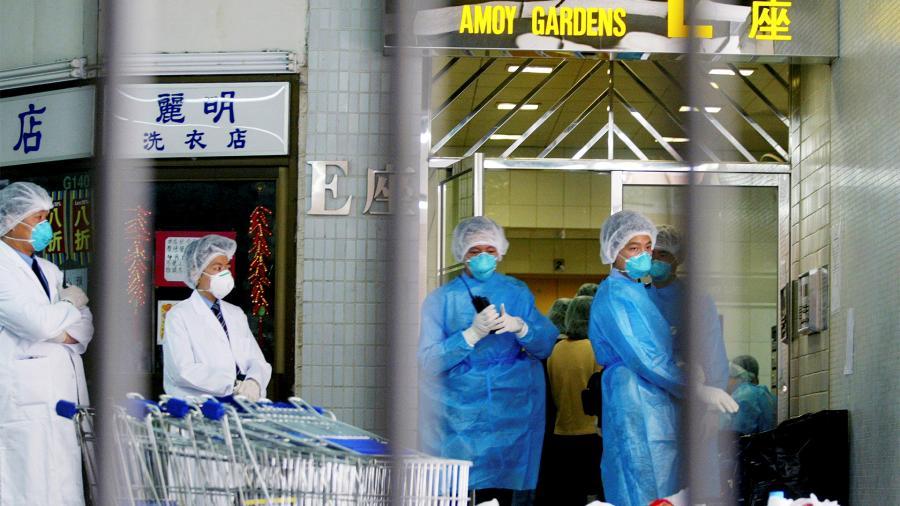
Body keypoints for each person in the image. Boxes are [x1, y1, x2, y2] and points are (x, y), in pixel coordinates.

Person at [588, 210, 737, 506]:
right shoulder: (615, 295)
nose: (645, 256)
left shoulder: (635, 291)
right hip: (634, 396)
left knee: (661, 489)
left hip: (652, 398)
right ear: (613, 250)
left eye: (649, 247)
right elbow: (645, 358)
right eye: (634, 248)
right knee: (641, 485)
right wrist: (697, 388)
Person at [418, 216, 557, 506]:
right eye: (475, 251)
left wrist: (522, 328)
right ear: (462, 254)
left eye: (490, 250)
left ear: (500, 252)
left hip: (513, 412)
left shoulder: (516, 292)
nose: (483, 257)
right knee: (460, 490)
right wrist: (469, 336)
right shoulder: (441, 300)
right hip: (460, 419)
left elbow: (545, 345)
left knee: (506, 490)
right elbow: (427, 361)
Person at [0, 182, 94, 505]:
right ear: (11, 220)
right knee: (28, 484)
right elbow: (36, 323)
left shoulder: (50, 270)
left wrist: (57, 325)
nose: (45, 226)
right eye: (37, 218)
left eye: (46, 217)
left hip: (62, 394)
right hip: (24, 400)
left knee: (64, 481)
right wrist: (67, 306)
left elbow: (85, 326)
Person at [648, 224, 730, 500]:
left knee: (692, 483)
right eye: (652, 253)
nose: (656, 260)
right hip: (649, 403)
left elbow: (713, 353)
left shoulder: (696, 302)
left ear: (677, 259)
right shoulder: (638, 297)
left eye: (663, 255)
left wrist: (712, 410)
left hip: (691, 405)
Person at [163, 234, 271, 400]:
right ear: (196, 272)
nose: (225, 274)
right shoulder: (179, 315)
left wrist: (254, 382)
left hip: (242, 403)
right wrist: (233, 384)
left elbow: (256, 360)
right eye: (217, 268)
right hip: (200, 406)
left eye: (226, 268)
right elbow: (182, 370)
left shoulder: (236, 314)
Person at [545, 295, 603, 505]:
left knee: (568, 495)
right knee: (592, 495)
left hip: (561, 433)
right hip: (590, 434)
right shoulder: (595, 349)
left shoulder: (555, 350)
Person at [727, 355, 776, 435]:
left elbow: (736, 435)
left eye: (728, 377)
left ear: (737, 377)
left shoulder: (742, 397)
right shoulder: (768, 395)